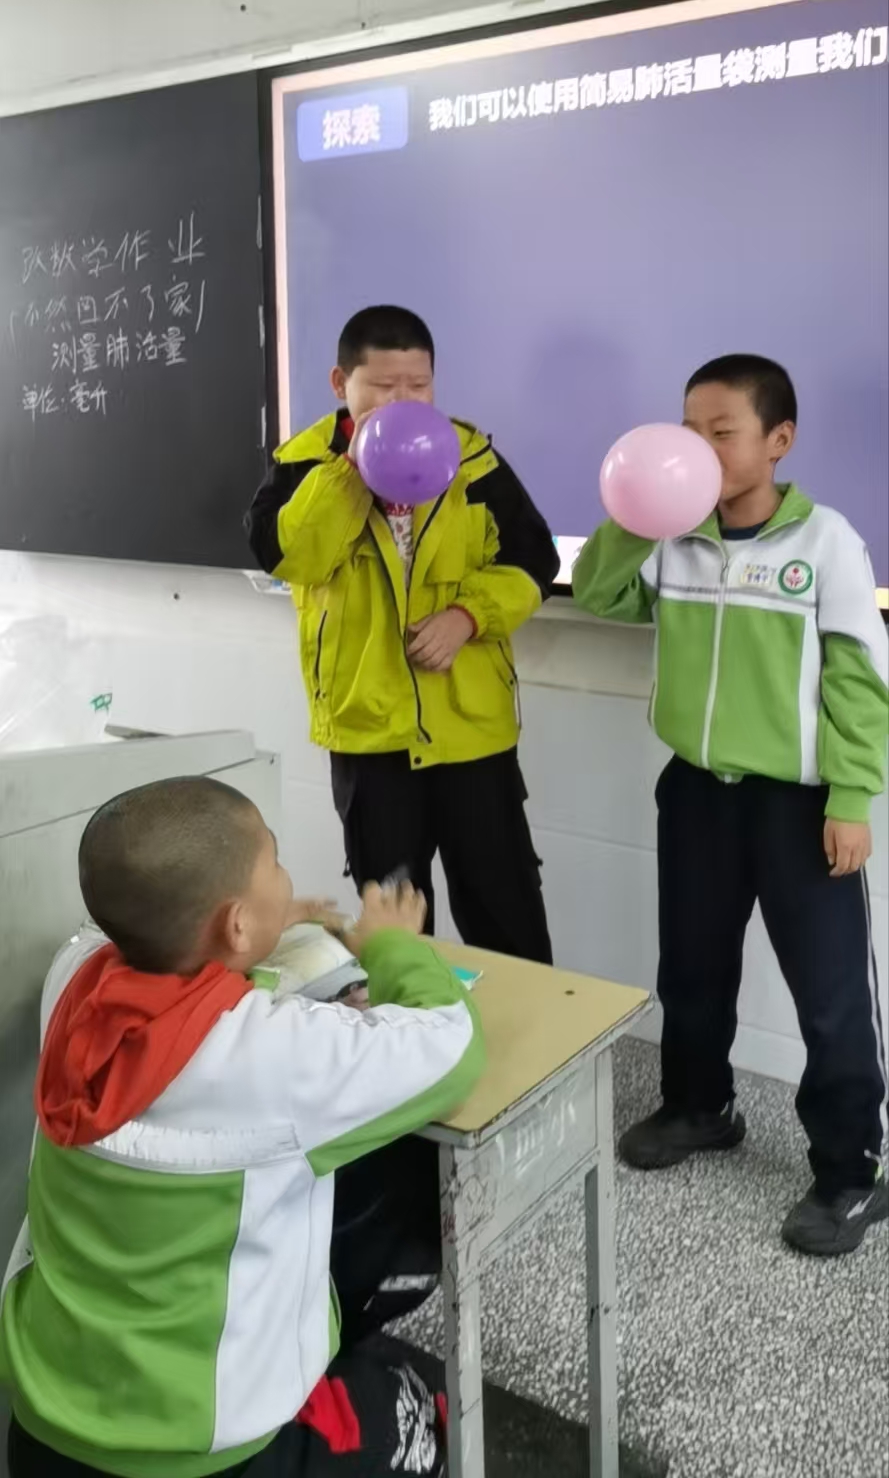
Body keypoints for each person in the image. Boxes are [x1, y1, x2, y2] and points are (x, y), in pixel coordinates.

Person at [0, 775, 486, 1476]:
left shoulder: (70, 983)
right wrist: (391, 947)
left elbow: (147, 933)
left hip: (44, 1427)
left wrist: (258, 932)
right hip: (201, 1454)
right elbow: (452, 1048)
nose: (286, 878)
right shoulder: (270, 1055)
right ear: (233, 924)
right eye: (275, 863)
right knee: (422, 1416)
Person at [573, 354, 889, 1257]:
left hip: (799, 803)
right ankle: (698, 1107)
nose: (700, 450)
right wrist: (640, 509)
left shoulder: (823, 541)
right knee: (693, 969)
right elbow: (596, 593)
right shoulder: (671, 537)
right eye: (689, 432)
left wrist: (852, 797)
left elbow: (859, 681)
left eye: (722, 433)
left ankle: (851, 1170)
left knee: (828, 995)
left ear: (777, 440)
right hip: (696, 792)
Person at [247, 305, 559, 963]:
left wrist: (467, 616)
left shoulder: (473, 459)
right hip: (369, 733)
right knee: (394, 925)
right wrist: (350, 472)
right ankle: (406, 1024)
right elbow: (290, 558)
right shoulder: (301, 465)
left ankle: (524, 1030)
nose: (403, 402)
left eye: (418, 385)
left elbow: (534, 561)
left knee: (505, 911)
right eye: (384, 387)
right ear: (341, 383)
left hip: (471, 730)